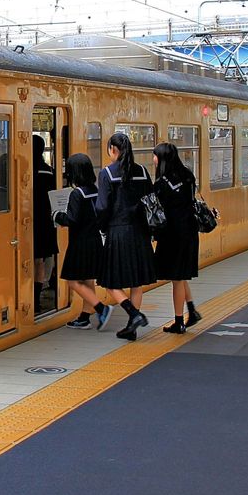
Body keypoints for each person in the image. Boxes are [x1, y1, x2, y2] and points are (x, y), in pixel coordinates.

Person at [95, 131, 156, 340]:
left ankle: (133, 313)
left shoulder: (107, 173)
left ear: (113, 149)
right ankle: (131, 329)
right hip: (140, 232)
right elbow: (151, 202)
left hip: (118, 232)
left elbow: (102, 207)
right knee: (136, 282)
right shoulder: (142, 172)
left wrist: (102, 227)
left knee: (111, 281)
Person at [52, 153, 111, 330]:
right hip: (95, 241)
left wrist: (56, 215)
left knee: (72, 281)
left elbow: (72, 219)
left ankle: (102, 308)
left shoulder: (77, 194)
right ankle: (84, 318)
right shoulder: (96, 191)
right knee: (87, 281)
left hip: (80, 244)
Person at [152, 142, 203, 334]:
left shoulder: (161, 183)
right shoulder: (188, 175)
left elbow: (157, 210)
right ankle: (191, 309)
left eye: (155, 155)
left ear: (163, 158)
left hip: (172, 235)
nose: (154, 159)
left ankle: (179, 321)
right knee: (180, 276)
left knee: (176, 279)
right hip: (189, 231)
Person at [31, 135, 59, 313]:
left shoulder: (20, 168)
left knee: (32, 260)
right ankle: (36, 300)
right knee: (40, 261)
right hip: (45, 222)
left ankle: (30, 298)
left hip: (28, 221)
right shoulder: (48, 171)